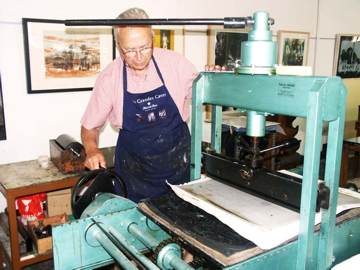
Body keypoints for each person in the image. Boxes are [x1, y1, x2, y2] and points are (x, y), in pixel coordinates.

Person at [80, 7, 198, 202]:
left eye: (145, 47)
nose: (139, 55)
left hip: (179, 168)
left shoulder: (176, 64)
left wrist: (214, 79)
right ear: (119, 47)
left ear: (152, 38)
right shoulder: (110, 77)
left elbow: (206, 94)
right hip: (134, 175)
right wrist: (92, 150)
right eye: (130, 50)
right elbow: (89, 127)